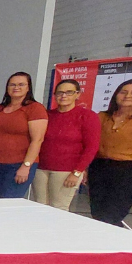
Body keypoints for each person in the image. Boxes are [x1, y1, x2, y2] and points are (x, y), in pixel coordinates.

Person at [88, 79, 132, 226]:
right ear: (116, 95)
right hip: (100, 168)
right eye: (123, 92)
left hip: (129, 171)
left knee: (111, 215)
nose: (128, 96)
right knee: (98, 214)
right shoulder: (102, 116)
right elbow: (90, 145)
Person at [0, 72, 48, 198]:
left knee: (10, 201)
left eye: (21, 84)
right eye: (12, 84)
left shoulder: (35, 108)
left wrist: (26, 166)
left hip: (18, 164)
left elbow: (37, 140)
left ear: (28, 87)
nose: (16, 87)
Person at [32, 80, 100, 211]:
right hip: (41, 168)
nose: (64, 96)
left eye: (69, 92)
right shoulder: (47, 115)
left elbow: (91, 147)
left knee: (58, 208)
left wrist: (77, 172)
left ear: (78, 94)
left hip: (67, 171)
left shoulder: (87, 116)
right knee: (39, 207)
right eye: (60, 93)